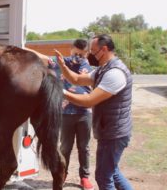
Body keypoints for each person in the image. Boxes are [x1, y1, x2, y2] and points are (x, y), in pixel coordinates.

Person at [55, 34, 133, 190]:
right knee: (113, 172)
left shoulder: (115, 73)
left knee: (104, 177)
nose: (89, 54)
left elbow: (89, 100)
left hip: (115, 134)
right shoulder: (102, 69)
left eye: (93, 51)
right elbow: (77, 79)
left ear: (104, 50)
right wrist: (63, 66)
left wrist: (60, 92)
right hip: (108, 131)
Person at [24, 39, 95, 190]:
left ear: (87, 54)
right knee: (65, 147)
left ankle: (84, 177)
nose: (77, 57)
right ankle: (63, 173)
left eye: (81, 55)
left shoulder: (89, 67)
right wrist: (23, 47)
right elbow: (42, 56)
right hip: (65, 113)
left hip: (84, 113)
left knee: (84, 147)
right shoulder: (60, 62)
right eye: (75, 53)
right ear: (71, 50)